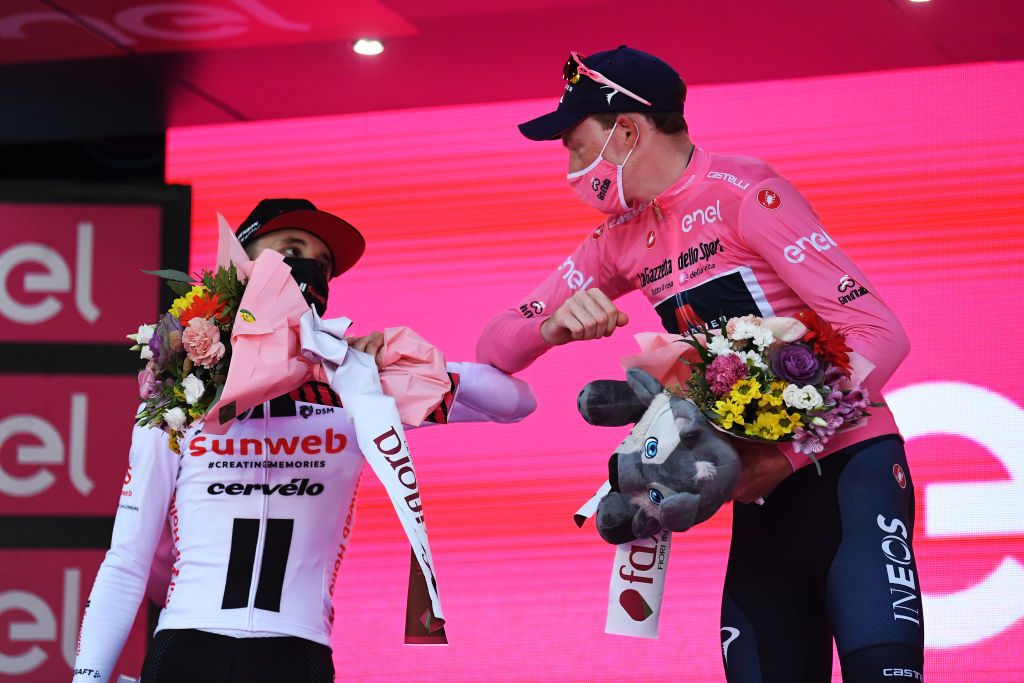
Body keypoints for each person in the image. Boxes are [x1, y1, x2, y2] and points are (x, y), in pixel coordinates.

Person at [477, 47, 922, 682]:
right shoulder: (620, 238)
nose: (571, 168)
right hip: (761, 503)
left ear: (629, 130)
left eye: (577, 146)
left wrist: (781, 457)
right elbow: (496, 343)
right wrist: (553, 326)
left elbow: (879, 330)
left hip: (850, 473)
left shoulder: (747, 193)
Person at [73, 199, 536, 683]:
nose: (308, 269)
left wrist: (394, 361)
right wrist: (86, 677)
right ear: (240, 263)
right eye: (291, 249)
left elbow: (514, 402)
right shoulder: (180, 386)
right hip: (186, 648)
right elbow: (127, 559)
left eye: (323, 264)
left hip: (297, 655)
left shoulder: (356, 386)